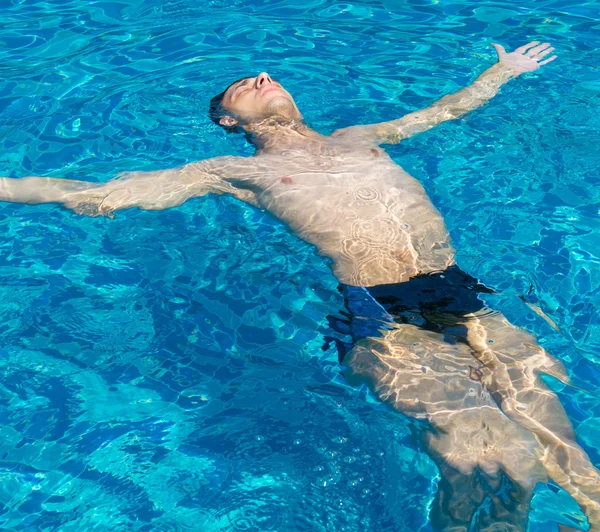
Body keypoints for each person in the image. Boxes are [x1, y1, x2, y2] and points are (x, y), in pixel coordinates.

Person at [1, 41, 598, 531]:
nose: (261, 73)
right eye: (243, 82)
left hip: (455, 287)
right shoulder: (231, 170)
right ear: (227, 121)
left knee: (547, 415)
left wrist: (501, 71)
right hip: (381, 308)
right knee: (479, 443)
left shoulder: (356, 137)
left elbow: (443, 111)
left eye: (263, 73)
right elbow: (95, 192)